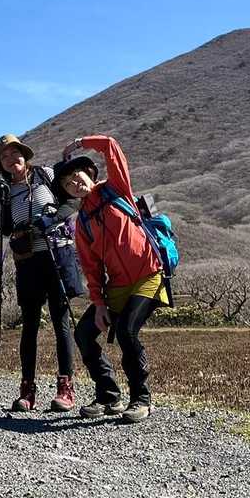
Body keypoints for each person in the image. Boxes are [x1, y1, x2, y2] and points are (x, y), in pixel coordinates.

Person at [58, 134, 169, 424]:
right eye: (67, 184)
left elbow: (110, 146)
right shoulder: (82, 222)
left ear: (89, 173)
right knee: (83, 334)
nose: (74, 183)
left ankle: (141, 399)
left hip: (149, 274)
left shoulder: (116, 189)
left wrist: (79, 143)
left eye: (77, 176)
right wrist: (99, 303)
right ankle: (108, 395)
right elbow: (91, 267)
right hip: (117, 285)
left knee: (126, 331)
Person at [0, 134, 80, 414]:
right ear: (0, 164)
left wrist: (50, 218)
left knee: (60, 322)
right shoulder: (7, 189)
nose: (11, 159)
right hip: (28, 261)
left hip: (57, 255)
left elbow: (71, 202)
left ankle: (65, 388)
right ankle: (27, 389)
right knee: (29, 326)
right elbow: (6, 228)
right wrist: (5, 200)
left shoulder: (46, 175)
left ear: (24, 155)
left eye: (14, 153)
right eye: (4, 157)